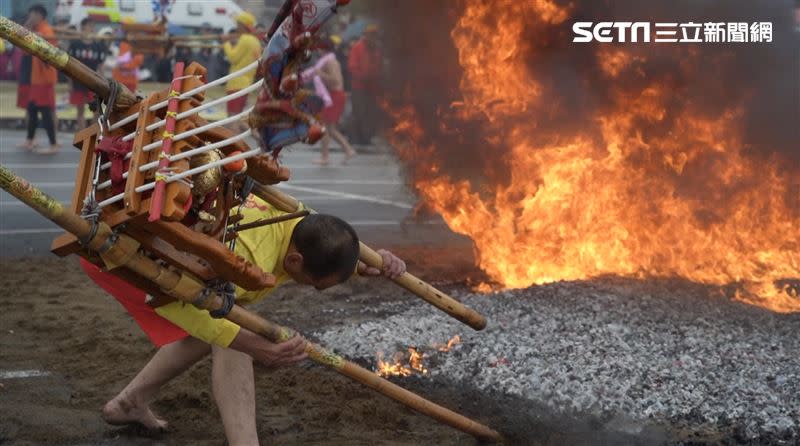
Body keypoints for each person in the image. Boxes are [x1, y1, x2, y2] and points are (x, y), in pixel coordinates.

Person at [83, 195, 406, 444]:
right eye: (315, 284)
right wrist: (256, 347)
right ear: (295, 260)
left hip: (173, 254)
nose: (315, 290)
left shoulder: (297, 218)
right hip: (126, 257)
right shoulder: (246, 260)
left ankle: (129, 403)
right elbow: (181, 303)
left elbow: (330, 237)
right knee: (235, 336)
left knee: (228, 328)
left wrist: (366, 264)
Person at [305, 36, 357, 165]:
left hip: (334, 96)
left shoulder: (330, 62)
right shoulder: (329, 61)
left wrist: (319, 74)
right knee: (330, 128)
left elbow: (335, 80)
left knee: (326, 127)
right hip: (333, 95)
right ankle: (347, 150)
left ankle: (326, 156)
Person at [18, 5, 59, 154]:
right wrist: (28, 25)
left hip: (45, 78)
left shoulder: (46, 31)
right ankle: (30, 140)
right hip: (36, 78)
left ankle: (53, 144)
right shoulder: (37, 30)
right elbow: (23, 48)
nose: (31, 18)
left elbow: (51, 53)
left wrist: (36, 35)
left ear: (39, 15)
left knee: (46, 110)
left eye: (32, 15)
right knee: (32, 108)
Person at [222, 11, 262, 132]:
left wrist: (226, 44)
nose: (237, 27)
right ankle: (261, 141)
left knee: (232, 119)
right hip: (246, 83)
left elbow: (233, 57)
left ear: (242, 26)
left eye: (238, 24)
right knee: (238, 119)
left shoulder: (244, 39)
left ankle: (233, 148)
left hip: (236, 84)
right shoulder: (256, 41)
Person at [67, 19, 109, 130]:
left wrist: (102, 82)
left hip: (93, 82)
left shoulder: (98, 46)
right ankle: (82, 132)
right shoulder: (75, 45)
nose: (92, 28)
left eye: (93, 26)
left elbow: (101, 66)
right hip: (78, 81)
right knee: (80, 109)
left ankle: (91, 131)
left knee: (96, 110)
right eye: (89, 26)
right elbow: (69, 65)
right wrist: (70, 82)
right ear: (83, 27)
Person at [347, 24, 382, 145]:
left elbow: (378, 66)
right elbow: (352, 66)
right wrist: (362, 77)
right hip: (359, 87)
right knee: (358, 112)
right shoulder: (357, 47)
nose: (373, 38)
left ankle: (366, 138)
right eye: (371, 35)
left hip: (372, 87)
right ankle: (354, 138)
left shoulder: (376, 49)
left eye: (375, 35)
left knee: (370, 113)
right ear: (366, 35)